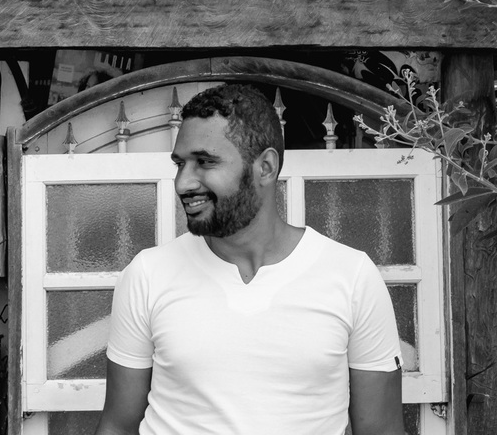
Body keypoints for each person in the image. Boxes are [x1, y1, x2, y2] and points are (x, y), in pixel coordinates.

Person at [96, 84, 403, 435]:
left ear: (265, 167)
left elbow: (382, 430)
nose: (183, 183)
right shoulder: (148, 274)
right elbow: (118, 426)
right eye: (180, 164)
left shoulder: (352, 277)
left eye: (205, 162)